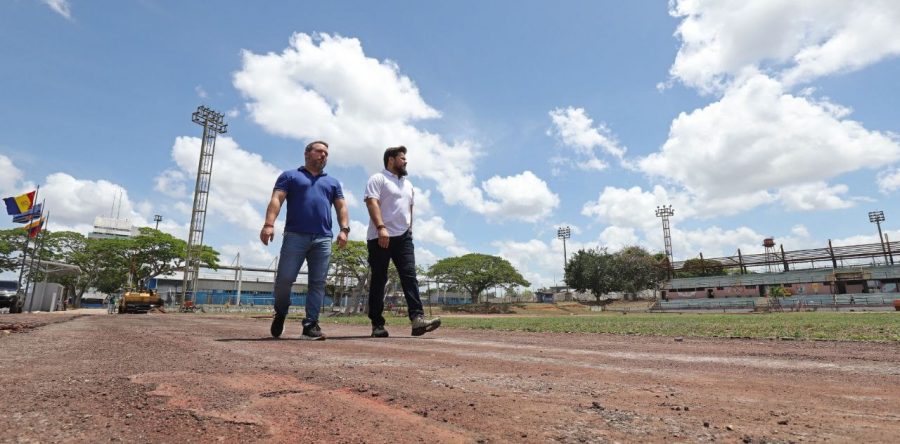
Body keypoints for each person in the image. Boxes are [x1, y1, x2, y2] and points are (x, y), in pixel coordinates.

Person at [261, 140, 349, 340]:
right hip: (295, 235)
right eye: (319, 151)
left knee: (318, 283)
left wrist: (344, 229)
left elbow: (341, 207)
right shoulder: (290, 176)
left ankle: (310, 325)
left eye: (326, 153)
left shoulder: (333, 182)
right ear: (307, 153)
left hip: (323, 238)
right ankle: (281, 312)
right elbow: (277, 199)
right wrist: (269, 224)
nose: (323, 155)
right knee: (284, 280)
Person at [364, 146, 440, 338]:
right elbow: (372, 202)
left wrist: (410, 230)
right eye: (402, 158)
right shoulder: (378, 179)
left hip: (403, 237)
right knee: (379, 280)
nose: (406, 161)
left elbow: (409, 208)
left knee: (410, 277)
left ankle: (417, 320)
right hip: (380, 236)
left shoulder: (408, 184)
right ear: (391, 159)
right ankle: (377, 324)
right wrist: (381, 227)